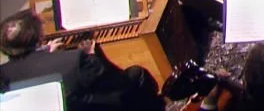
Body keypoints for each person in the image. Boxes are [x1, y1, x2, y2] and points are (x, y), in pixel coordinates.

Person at [0, 9, 163, 111]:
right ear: (39, 37)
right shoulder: (75, 61)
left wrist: (45, 53)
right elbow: (118, 84)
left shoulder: (3, 74)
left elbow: (34, 70)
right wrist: (92, 55)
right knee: (136, 74)